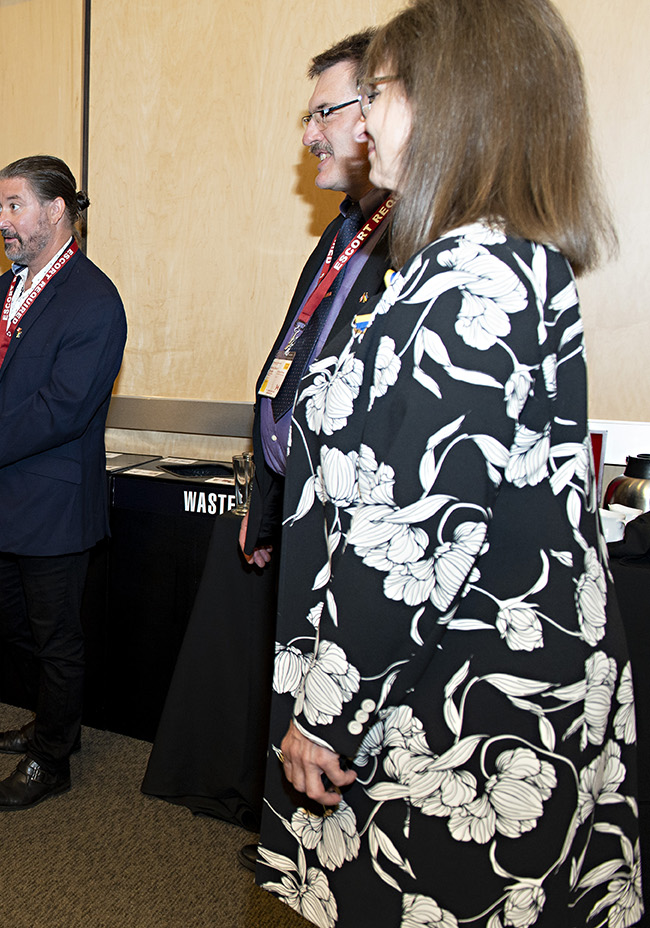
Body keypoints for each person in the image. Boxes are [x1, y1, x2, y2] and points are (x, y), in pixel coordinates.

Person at [255, 1, 641, 926]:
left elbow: (417, 534)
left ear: (450, 104)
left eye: (376, 94)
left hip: (455, 706)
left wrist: (327, 713)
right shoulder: (474, 262)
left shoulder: (474, 278)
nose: (361, 120)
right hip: (449, 673)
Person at [235, 29, 392, 874]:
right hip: (303, 517)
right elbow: (288, 369)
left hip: (361, 538)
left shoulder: (413, 242)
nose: (310, 133)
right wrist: (265, 496)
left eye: (324, 111)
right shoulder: (343, 233)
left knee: (346, 720)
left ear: (382, 109)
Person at [0, 155, 126, 810]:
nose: (2, 221)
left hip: (51, 501)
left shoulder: (94, 299)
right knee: (16, 628)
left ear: (56, 210)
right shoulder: (4, 290)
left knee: (56, 638)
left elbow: (65, 406)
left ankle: (53, 758)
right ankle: (49, 721)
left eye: (14, 205)